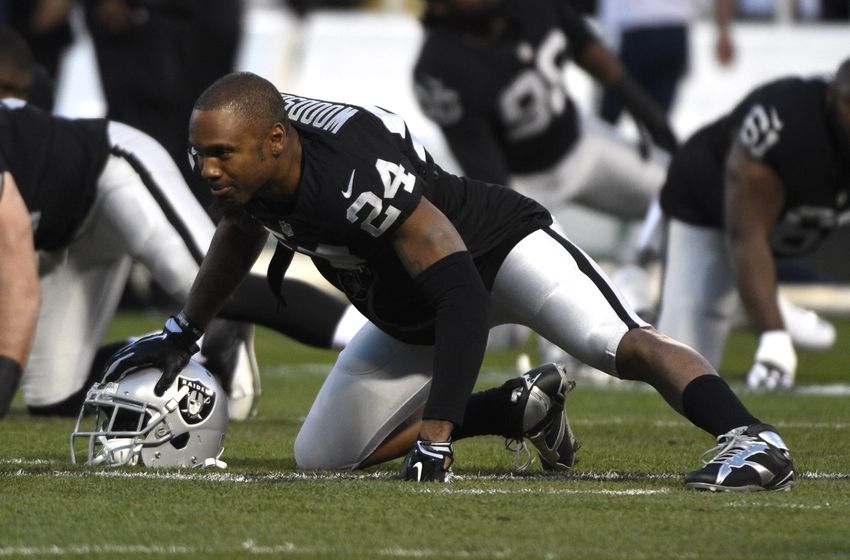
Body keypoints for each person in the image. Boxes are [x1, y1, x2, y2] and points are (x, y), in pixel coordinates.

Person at [104, 71, 797, 491]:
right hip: (410, 303)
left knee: (616, 341)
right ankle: (515, 411)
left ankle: (752, 438)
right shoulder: (258, 161)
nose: (207, 169)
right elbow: (238, 231)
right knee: (323, 456)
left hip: (493, 251)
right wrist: (183, 330)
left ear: (275, 143)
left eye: (220, 154)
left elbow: (461, 288)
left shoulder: (350, 175)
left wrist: (436, 434)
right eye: (200, 155)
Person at [0, 26, 366, 420]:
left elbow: (18, 288)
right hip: (63, 235)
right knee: (53, 398)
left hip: (112, 168)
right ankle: (212, 344)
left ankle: (372, 334)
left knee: (218, 284)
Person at [412, 0, 676, 325]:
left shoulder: (532, 7)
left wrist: (634, 98)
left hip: (582, 145)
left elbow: (582, 43)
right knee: (512, 307)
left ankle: (676, 311)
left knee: (682, 194)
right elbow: (487, 171)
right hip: (520, 182)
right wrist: (511, 232)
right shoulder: (439, 67)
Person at [656, 58, 850, 391]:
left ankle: (759, 300)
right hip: (709, 213)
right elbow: (745, 237)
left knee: (821, 337)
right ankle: (760, 305)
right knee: (682, 367)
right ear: (833, 95)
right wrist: (774, 340)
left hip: (793, 230)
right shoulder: (786, 122)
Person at [597, 0, 735, 125]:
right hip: (673, 31)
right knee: (657, 125)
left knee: (605, 122)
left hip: (629, 27)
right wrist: (723, 32)